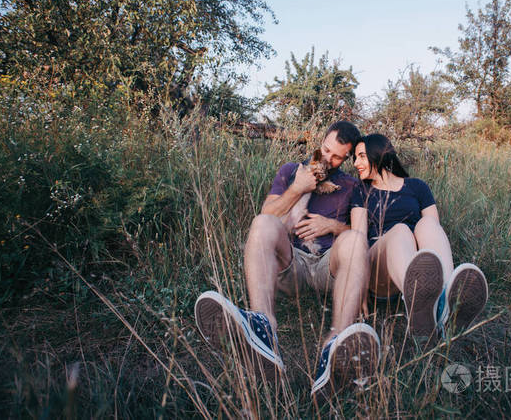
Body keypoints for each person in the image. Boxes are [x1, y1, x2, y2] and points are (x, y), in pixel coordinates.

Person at [195, 121, 379, 395]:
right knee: (262, 223)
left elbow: (362, 232)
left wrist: (331, 226)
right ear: (322, 141)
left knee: (352, 240)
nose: (328, 159)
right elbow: (269, 212)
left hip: (329, 265)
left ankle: (336, 342)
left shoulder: (353, 185)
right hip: (292, 262)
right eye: (326, 150)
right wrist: (298, 188)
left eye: (338, 156)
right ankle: (263, 328)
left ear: (347, 158)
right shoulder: (291, 170)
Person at [350, 133, 488, 343]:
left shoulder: (417, 187)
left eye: (361, 156)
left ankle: (444, 301)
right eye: (354, 157)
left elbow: (434, 231)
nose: (355, 163)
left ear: (378, 154)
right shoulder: (360, 191)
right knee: (400, 230)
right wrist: (356, 284)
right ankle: (417, 298)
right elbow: (358, 239)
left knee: (427, 224)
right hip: (379, 270)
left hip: (418, 265)